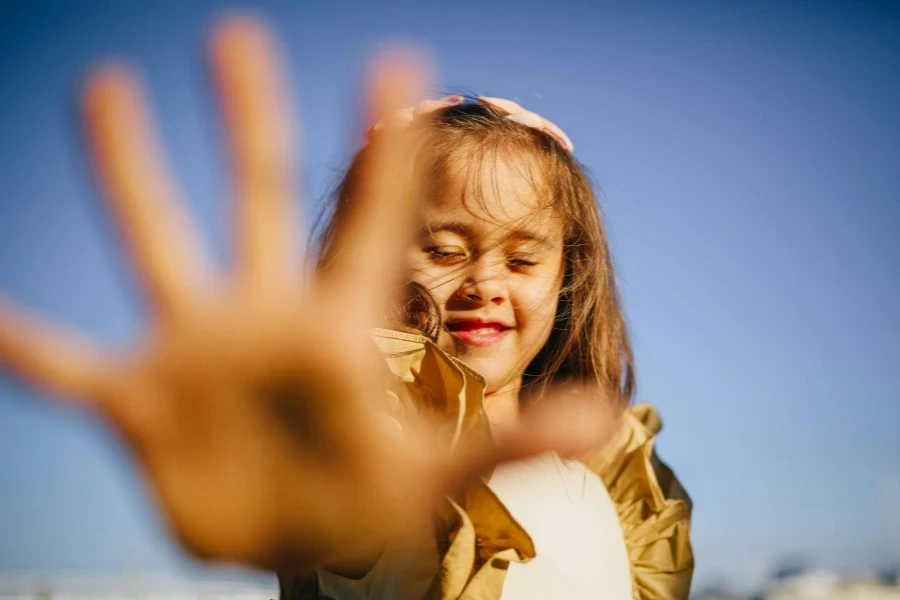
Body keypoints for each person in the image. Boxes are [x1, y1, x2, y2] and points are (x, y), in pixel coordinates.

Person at [0, 15, 692, 600]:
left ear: (572, 277)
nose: (485, 282)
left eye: (522, 258)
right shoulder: (359, 451)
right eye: (445, 250)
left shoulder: (617, 483)